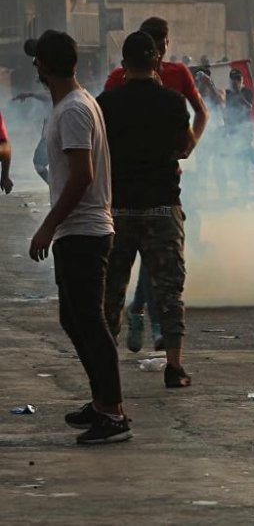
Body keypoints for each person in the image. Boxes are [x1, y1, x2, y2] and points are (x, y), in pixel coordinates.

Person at [24, 31, 130, 445]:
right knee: (76, 318)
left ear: (45, 68)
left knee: (89, 320)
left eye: (37, 62)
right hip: (82, 229)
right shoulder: (78, 104)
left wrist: (48, 224)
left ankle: (113, 412)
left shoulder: (72, 111)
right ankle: (102, 401)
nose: (34, 68)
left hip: (82, 231)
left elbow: (83, 175)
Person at [98, 32, 195, 390]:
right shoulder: (172, 103)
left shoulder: (105, 103)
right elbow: (185, 147)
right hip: (161, 207)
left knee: (111, 295)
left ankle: (106, 374)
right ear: (157, 62)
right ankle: (174, 367)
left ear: (123, 66)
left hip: (118, 210)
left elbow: (99, 153)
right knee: (169, 292)